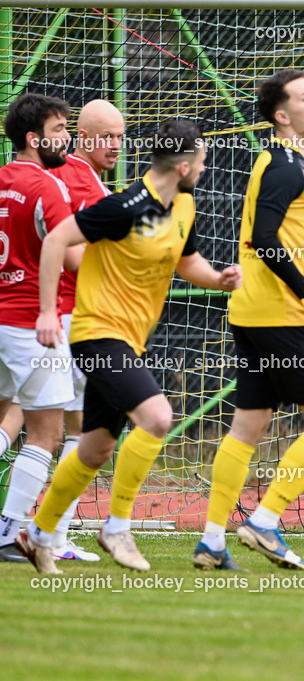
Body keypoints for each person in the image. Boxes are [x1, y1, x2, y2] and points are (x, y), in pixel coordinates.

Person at [16, 119, 242, 575]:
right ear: (183, 165)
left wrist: (218, 279)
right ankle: (116, 526)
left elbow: (187, 260)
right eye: (200, 160)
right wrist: (45, 312)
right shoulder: (124, 207)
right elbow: (57, 238)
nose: (204, 167)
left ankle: (38, 535)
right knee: (157, 417)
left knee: (95, 449)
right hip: (97, 333)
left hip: (130, 340)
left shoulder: (182, 204)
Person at [192, 69, 304, 571]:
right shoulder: (285, 167)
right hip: (283, 313)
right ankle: (264, 520)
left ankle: (212, 541)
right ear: (283, 116)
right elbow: (263, 237)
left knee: (246, 428)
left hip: (253, 313)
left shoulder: (278, 160)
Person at [42, 98, 124, 562]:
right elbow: (75, 251)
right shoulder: (77, 179)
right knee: (77, 434)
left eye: (118, 136)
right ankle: (46, 534)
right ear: (82, 134)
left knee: (50, 428)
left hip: (55, 314)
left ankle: (47, 533)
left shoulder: (69, 175)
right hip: (74, 315)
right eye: (105, 136)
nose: (114, 145)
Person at [0, 93, 76, 564]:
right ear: (34, 139)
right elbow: (74, 256)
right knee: (46, 436)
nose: (66, 137)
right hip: (32, 324)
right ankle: (10, 532)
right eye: (59, 129)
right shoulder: (47, 187)